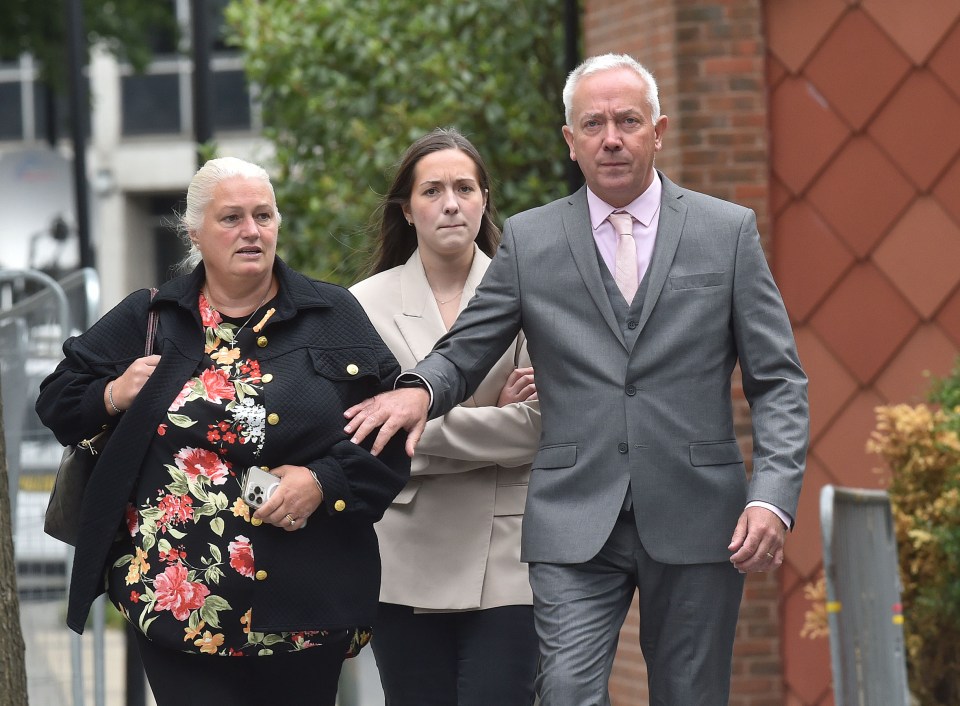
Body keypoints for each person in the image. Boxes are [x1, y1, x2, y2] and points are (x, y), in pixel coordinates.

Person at [343, 54, 809, 705]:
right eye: (593, 123)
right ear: (570, 139)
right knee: (564, 690)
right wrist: (418, 389)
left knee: (691, 694)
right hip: (572, 514)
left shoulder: (725, 233)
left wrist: (772, 496)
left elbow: (779, 381)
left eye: (627, 121)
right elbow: (466, 348)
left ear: (659, 130)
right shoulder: (533, 241)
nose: (611, 137)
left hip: (700, 509)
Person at [36, 157, 410, 706]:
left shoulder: (334, 314)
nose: (251, 231)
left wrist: (323, 483)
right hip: (177, 605)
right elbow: (56, 399)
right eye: (231, 218)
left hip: (305, 606)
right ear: (195, 232)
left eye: (263, 215)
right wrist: (113, 394)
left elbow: (391, 434)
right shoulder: (152, 316)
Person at [349, 127, 541, 705]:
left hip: (510, 551)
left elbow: (539, 428)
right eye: (432, 190)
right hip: (404, 555)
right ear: (407, 209)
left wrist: (412, 429)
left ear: (485, 199)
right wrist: (492, 420)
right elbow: (361, 436)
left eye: (464, 187)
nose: (450, 203)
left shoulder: (533, 293)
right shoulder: (363, 304)